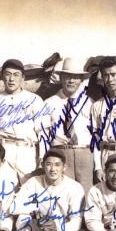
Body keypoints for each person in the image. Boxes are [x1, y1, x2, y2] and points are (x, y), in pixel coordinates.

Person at [10, 149, 89, 231]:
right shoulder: (34, 182)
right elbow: (14, 206)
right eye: (49, 164)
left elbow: (77, 222)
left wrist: (58, 228)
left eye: (57, 165)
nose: (53, 169)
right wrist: (35, 213)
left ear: (64, 167)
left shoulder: (74, 187)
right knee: (23, 219)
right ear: (43, 165)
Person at [0, 59, 47, 181]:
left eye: (16, 75)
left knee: (28, 191)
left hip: (27, 152)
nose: (11, 79)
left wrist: (42, 157)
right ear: (2, 77)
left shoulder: (34, 100)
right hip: (3, 151)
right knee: (3, 190)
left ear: (23, 78)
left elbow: (43, 132)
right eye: (8, 74)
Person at [40, 57, 94, 193]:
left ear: (81, 80)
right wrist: (44, 158)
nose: (71, 81)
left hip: (85, 153)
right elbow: (43, 135)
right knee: (62, 193)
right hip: (60, 153)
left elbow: (95, 134)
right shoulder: (49, 103)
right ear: (61, 78)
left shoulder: (89, 103)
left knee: (86, 194)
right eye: (67, 76)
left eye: (75, 77)